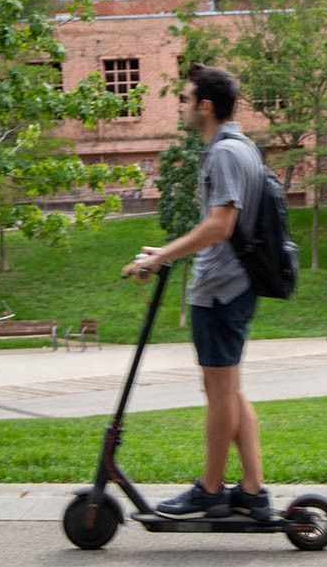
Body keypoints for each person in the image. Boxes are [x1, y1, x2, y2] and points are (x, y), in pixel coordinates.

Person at [121, 63, 270, 521]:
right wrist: (164, 251)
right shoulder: (240, 147)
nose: (182, 106)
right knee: (229, 390)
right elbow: (219, 224)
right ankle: (253, 490)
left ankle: (210, 490)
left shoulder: (225, 152)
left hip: (221, 291)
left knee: (220, 391)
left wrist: (162, 256)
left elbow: (220, 225)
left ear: (206, 106)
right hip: (230, 286)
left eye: (185, 99)